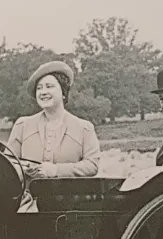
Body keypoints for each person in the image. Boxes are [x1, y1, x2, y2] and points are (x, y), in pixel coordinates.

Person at [6, 61, 100, 210]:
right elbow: (8, 164)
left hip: (71, 207)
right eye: (39, 88)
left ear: (63, 92)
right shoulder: (22, 125)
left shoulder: (84, 128)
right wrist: (23, 168)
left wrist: (55, 170)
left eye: (49, 86)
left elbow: (92, 166)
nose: (43, 92)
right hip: (28, 207)